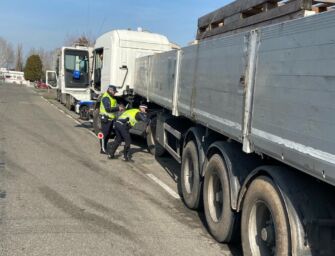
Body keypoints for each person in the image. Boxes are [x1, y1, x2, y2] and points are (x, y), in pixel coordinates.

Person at [99, 85, 123, 154]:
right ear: (110, 90)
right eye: (114, 91)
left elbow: (113, 108)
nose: (115, 93)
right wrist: (118, 108)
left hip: (110, 119)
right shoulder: (106, 97)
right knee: (104, 134)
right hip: (105, 118)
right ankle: (102, 149)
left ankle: (104, 147)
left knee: (108, 135)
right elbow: (108, 109)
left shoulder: (112, 98)